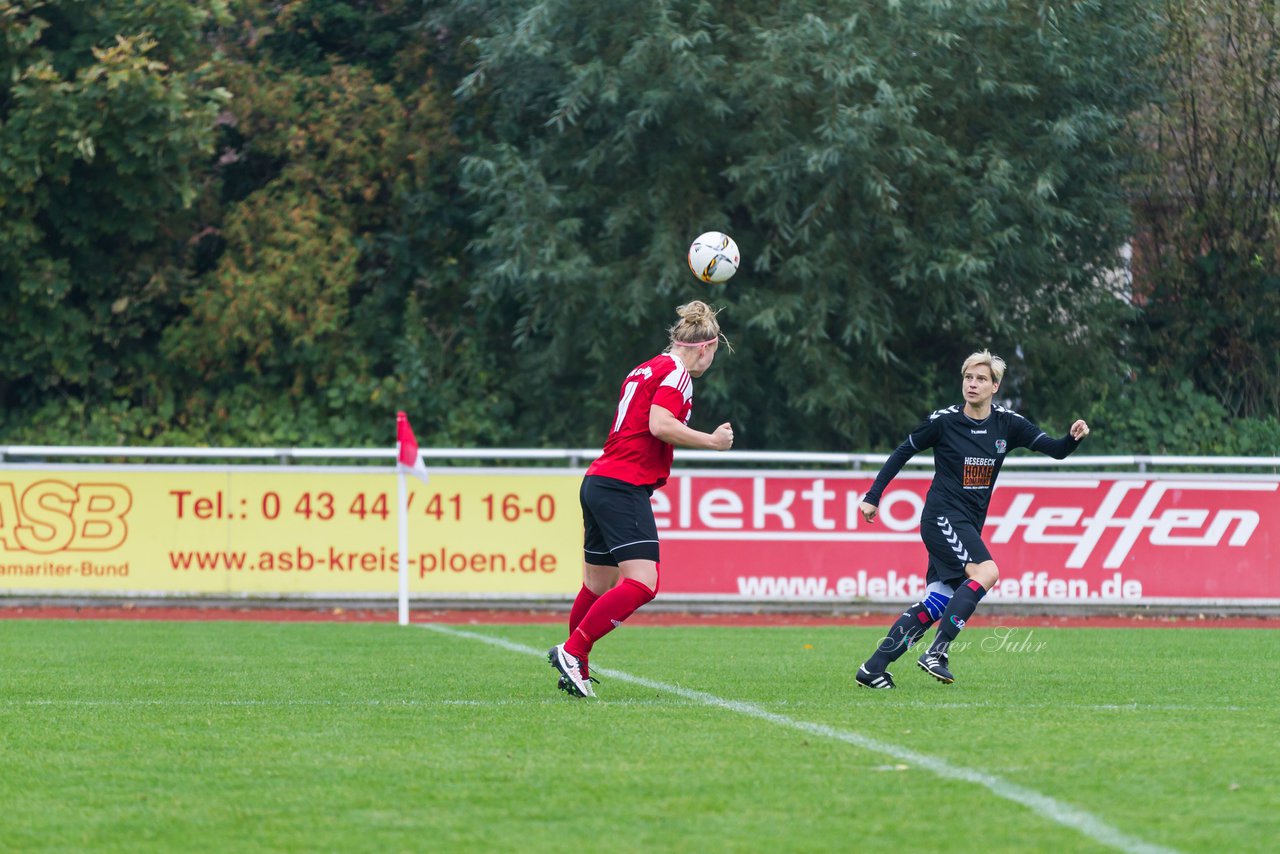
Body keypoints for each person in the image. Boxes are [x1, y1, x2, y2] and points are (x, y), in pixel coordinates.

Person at [854, 350, 1090, 688]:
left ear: (995, 386)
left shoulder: (1008, 423)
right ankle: (937, 652)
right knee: (987, 572)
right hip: (941, 517)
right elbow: (903, 450)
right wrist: (873, 496)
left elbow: (1055, 449)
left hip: (966, 522)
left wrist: (1072, 438)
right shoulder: (944, 421)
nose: (973, 384)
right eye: (968, 378)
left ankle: (873, 668)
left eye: (981, 379)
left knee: (938, 602)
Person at [548, 301, 734, 698]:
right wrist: (713, 442)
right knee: (644, 583)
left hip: (598, 480)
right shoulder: (678, 372)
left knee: (597, 584)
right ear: (705, 347)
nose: (710, 362)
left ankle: (574, 666)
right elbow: (660, 424)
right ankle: (573, 651)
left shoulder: (646, 367)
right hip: (622, 484)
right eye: (714, 354)